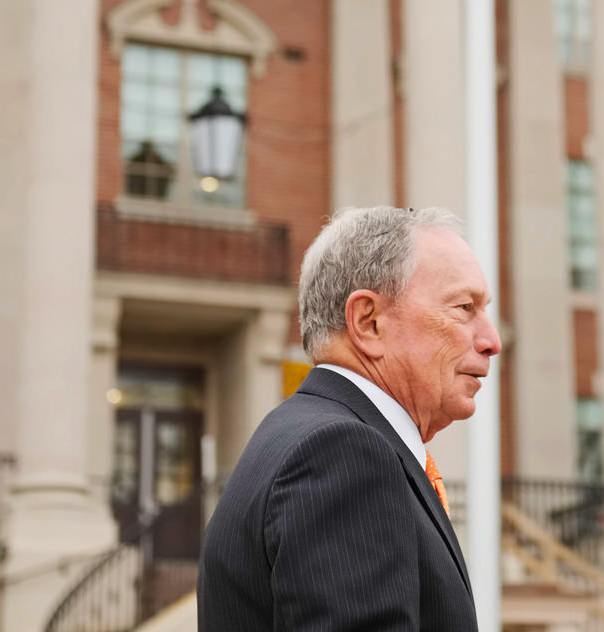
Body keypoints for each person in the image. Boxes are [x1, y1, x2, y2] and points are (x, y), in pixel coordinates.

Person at [199, 206, 502, 631]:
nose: (492, 341)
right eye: (465, 307)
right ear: (368, 321)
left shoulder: (299, 435)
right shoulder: (341, 453)